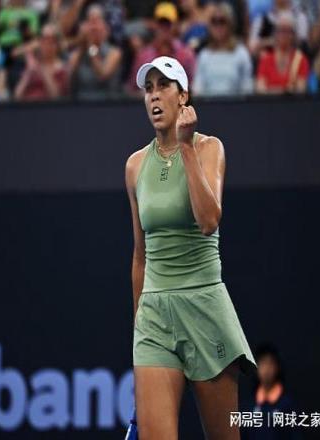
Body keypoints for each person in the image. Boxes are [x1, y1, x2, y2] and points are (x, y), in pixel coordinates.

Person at [125, 55, 257, 438]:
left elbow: (209, 220)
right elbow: (140, 256)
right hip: (154, 315)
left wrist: (185, 146)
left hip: (204, 307)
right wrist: (138, 330)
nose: (154, 96)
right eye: (148, 89)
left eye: (163, 86)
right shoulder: (135, 166)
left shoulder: (210, 148)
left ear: (183, 96)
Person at [126, 2, 195, 96]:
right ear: (155, 25)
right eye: (161, 24)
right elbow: (132, 89)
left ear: (175, 26)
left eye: (168, 24)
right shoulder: (143, 55)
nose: (164, 28)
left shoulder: (186, 54)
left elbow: (192, 87)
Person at [193, 2, 253, 96]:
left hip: (236, 104)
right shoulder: (204, 55)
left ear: (230, 24)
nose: (218, 26)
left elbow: (247, 89)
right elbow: (198, 89)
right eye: (214, 22)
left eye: (222, 21)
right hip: (208, 104)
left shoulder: (241, 53)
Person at [68, 3, 122, 100]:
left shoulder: (114, 52)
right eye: (90, 22)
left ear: (106, 28)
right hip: (80, 103)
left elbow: (103, 75)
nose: (93, 27)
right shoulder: (79, 52)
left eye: (96, 22)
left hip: (107, 103)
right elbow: (69, 78)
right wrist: (81, 44)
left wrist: (91, 45)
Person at [256, 11, 310, 94]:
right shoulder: (265, 60)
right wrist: (284, 91)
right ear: (275, 33)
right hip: (269, 102)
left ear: (293, 35)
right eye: (280, 30)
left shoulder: (300, 60)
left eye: (287, 31)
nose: (283, 34)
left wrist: (273, 90)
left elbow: (300, 90)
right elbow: (261, 90)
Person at [14, 23, 69, 101]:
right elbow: (17, 95)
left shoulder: (62, 68)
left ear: (57, 45)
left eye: (52, 41)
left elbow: (56, 96)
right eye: (44, 39)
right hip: (27, 106)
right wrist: (29, 72)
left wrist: (43, 69)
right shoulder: (32, 65)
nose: (47, 44)